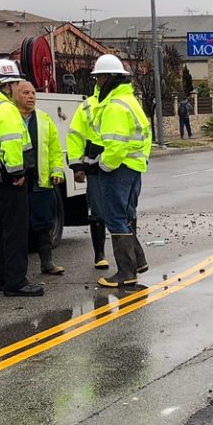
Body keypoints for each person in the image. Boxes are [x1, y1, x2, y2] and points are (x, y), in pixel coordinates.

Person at [68, 54, 152, 289]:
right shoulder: (129, 100)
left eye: (99, 77)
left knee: (114, 218)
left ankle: (126, 272)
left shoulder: (114, 107)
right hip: (133, 167)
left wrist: (101, 165)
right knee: (125, 216)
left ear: (107, 78)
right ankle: (138, 262)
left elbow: (115, 145)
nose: (97, 82)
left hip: (117, 169)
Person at [0, 58, 44, 297]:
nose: (17, 87)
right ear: (7, 85)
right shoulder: (6, 109)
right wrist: (18, 174)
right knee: (16, 230)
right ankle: (16, 282)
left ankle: (2, 280)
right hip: (7, 177)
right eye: (15, 83)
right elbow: (12, 144)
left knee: (1, 230)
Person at [11, 81, 67, 275]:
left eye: (33, 93)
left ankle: (47, 262)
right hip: (16, 180)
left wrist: (57, 171)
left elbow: (54, 149)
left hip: (41, 181)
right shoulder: (9, 118)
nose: (31, 96)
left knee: (44, 223)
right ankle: (19, 269)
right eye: (26, 93)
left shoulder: (44, 119)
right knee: (18, 225)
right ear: (16, 95)